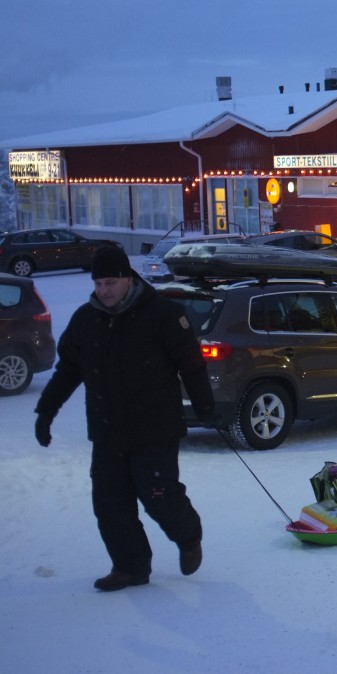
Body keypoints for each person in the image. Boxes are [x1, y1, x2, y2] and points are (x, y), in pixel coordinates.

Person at [33, 245, 215, 592]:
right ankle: (130, 566)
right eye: (99, 283)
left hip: (155, 428)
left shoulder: (163, 314)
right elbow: (69, 370)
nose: (104, 290)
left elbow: (190, 363)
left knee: (159, 496)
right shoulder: (86, 320)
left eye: (110, 282)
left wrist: (204, 404)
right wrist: (46, 411)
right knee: (110, 504)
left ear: (128, 279)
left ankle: (189, 537)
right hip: (107, 430)